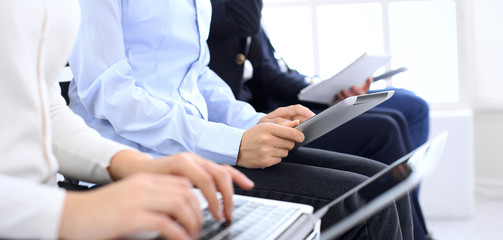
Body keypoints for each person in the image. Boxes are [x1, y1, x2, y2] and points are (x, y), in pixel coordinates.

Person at [68, 0, 414, 238]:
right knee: (364, 200)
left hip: (201, 146)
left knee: (382, 182)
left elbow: (196, 75)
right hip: (144, 160)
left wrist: (253, 123)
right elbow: (107, 90)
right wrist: (231, 144)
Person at [0, 1, 255, 239]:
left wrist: (134, 164)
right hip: (35, 215)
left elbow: (46, 110)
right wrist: (71, 211)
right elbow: (108, 90)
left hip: (46, 206)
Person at [206, 1, 431, 238]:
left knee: (406, 114)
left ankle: (416, 231)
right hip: (251, 116)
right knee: (386, 130)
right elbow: (267, 77)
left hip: (255, 112)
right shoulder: (212, 11)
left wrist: (319, 85)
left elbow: (272, 69)